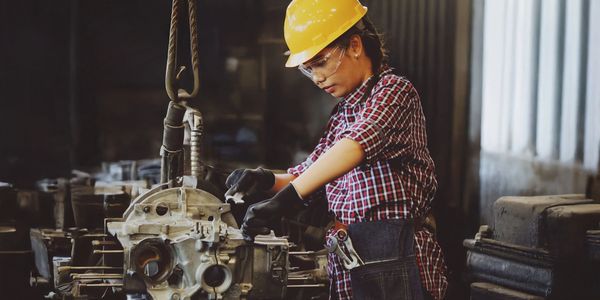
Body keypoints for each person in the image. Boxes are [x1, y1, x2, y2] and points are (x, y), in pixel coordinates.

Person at [225, 0, 448, 299]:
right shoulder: (343, 114)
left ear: (354, 45)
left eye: (321, 62)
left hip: (395, 259)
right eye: (308, 69)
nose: (317, 77)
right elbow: (309, 175)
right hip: (350, 257)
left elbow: (355, 146)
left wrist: (287, 200)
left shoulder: (394, 91)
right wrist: (264, 180)